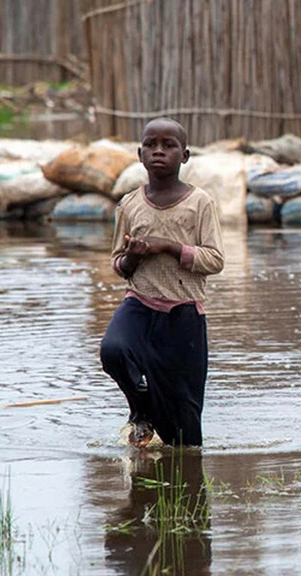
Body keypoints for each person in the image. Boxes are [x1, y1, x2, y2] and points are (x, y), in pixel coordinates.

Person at [100, 117, 224, 447]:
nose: (159, 151)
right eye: (151, 145)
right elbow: (118, 264)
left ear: (184, 156)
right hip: (139, 304)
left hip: (184, 315)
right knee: (113, 351)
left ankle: (183, 489)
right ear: (140, 154)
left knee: (185, 436)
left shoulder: (200, 203)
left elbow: (214, 259)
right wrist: (135, 257)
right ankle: (141, 410)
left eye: (168, 146)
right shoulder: (129, 204)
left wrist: (169, 247)